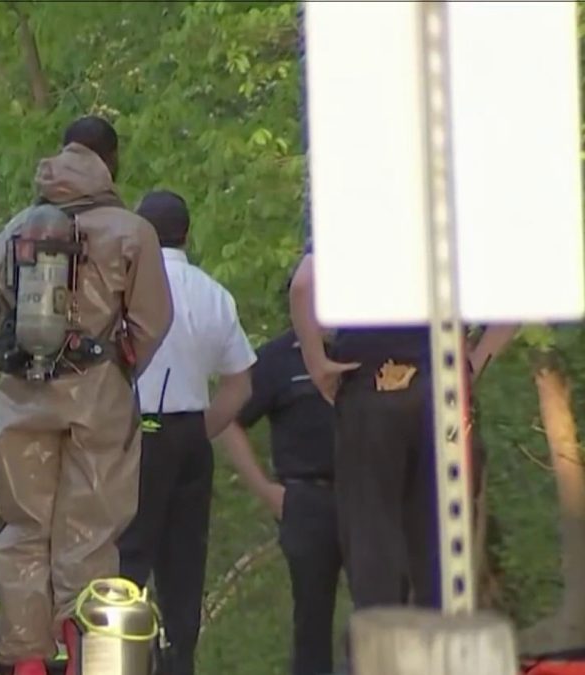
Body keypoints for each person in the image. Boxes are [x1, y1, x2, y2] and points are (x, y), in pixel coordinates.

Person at [0, 117, 173, 675]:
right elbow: (152, 320)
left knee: (22, 528)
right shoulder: (132, 231)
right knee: (89, 529)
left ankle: (25, 661)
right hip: (97, 396)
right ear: (110, 160)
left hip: (24, 394)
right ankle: (83, 659)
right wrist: (119, 368)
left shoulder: (17, 227)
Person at [288, 245, 517, 610]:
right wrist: (472, 367)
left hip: (370, 381)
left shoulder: (352, 215)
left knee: (371, 530)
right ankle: (442, 634)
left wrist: (316, 362)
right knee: (443, 534)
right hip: (443, 386)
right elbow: (513, 292)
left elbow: (303, 284)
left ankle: (381, 635)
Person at [116, 190, 256, 675]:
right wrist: (200, 428)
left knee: (127, 559)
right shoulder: (213, 293)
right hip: (191, 432)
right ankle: (179, 661)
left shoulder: (125, 289)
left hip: (138, 430)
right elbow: (241, 385)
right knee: (184, 565)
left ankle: (121, 662)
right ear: (187, 234)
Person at [217, 327, 342, 675]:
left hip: (367, 497)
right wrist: (265, 489)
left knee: (378, 611)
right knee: (312, 622)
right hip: (306, 499)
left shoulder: (363, 348)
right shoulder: (277, 359)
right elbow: (229, 421)